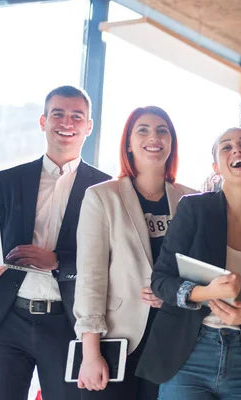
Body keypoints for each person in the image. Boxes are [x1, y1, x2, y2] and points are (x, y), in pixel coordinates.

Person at [0, 85, 111, 400]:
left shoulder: (107, 188)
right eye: (58, 114)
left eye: (77, 116)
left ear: (89, 126)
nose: (67, 122)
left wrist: (58, 262)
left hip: (68, 324)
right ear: (42, 121)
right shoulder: (7, 180)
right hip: (6, 321)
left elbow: (110, 261)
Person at [136, 128, 241, 399]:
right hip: (187, 355)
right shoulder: (193, 209)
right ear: (216, 166)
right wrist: (207, 292)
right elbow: (161, 279)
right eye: (226, 147)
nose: (237, 150)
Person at [72, 106, 196, 399]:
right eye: (143, 129)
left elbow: (200, 269)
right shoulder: (102, 196)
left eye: (162, 130)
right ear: (128, 143)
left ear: (171, 142)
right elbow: (91, 277)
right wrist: (90, 353)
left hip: (174, 341)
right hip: (118, 340)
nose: (154, 136)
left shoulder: (192, 201)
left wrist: (171, 290)